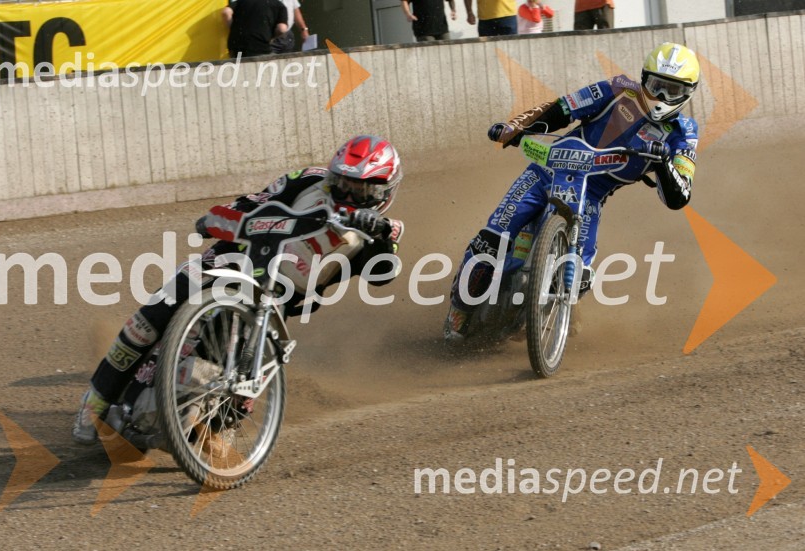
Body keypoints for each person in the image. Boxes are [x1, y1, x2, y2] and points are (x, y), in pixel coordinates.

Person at [73, 136, 406, 444]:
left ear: (383, 192)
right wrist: (222, 217)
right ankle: (96, 400)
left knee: (237, 374)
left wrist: (381, 236)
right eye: (342, 184)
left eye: (359, 191)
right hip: (232, 257)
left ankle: (212, 425)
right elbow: (253, 201)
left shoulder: (384, 234)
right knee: (151, 317)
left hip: (273, 304)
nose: (347, 196)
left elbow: (382, 274)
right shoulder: (306, 178)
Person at [444, 43, 701, 342]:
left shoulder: (684, 133)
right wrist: (516, 128)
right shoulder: (617, 89)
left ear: (689, 92)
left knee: (581, 277)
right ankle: (458, 310)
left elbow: (679, 196)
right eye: (657, 86)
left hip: (590, 195)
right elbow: (564, 108)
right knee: (490, 240)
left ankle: (558, 306)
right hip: (545, 172)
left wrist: (666, 163)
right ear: (644, 79)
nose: (662, 98)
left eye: (673, 91)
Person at [222, 0, 289, 58]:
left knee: (237, 70)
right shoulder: (279, 5)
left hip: (237, 47)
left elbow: (226, 12)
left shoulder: (241, 1)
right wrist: (271, 38)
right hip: (261, 47)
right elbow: (282, 29)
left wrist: (233, 30)